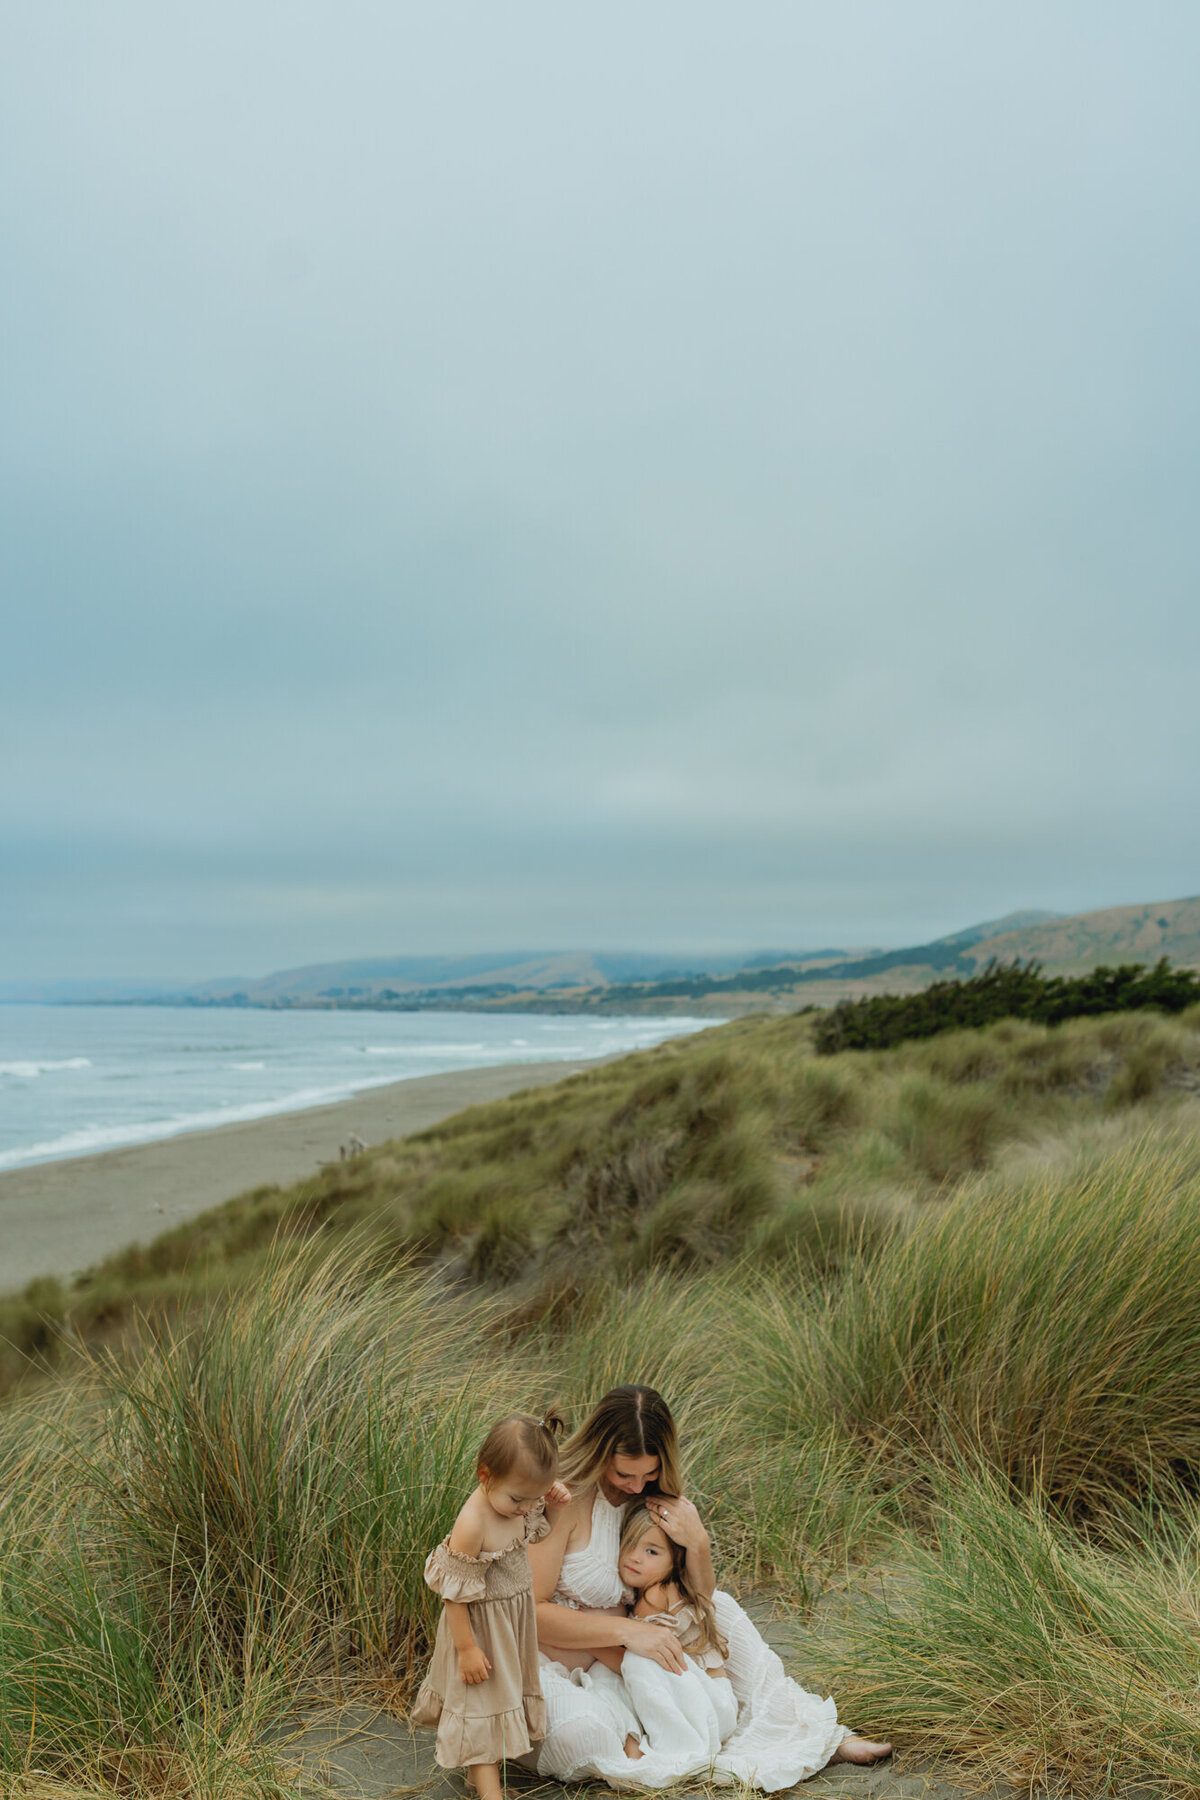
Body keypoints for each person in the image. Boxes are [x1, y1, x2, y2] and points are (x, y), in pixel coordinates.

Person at [526, 1385, 891, 1790]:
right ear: (599, 1452)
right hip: (566, 1662)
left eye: (649, 1473)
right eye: (624, 1473)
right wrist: (630, 1632)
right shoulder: (563, 1497)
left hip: (642, 1649)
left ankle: (821, 1736)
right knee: (582, 1738)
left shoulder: (652, 1496)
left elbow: (697, 1596)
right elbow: (531, 1612)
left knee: (723, 1607)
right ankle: (651, 1741)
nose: (636, 1486)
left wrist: (697, 1543)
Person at [411, 1409, 572, 1800]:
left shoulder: (519, 1501)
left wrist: (552, 1503)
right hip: (478, 1628)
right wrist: (466, 1649)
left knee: (499, 1699)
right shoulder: (473, 1523)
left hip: (510, 1622)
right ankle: (489, 1794)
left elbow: (534, 1533)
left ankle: (476, 1781)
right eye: (519, 1499)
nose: (524, 1508)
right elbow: (454, 1597)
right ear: (485, 1475)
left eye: (534, 1498)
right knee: (482, 1706)